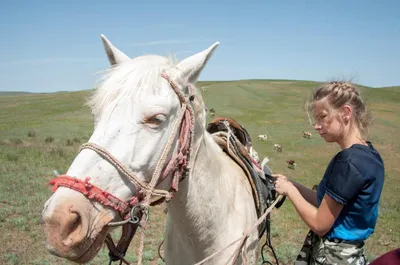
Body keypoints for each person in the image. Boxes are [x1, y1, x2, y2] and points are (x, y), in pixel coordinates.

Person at [273, 81, 385, 265]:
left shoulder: (350, 163)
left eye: (323, 117)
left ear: (346, 113)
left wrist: (290, 191)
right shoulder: (369, 154)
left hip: (333, 257)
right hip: (350, 255)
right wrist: (291, 183)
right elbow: (323, 201)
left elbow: (320, 224)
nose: (317, 126)